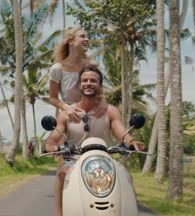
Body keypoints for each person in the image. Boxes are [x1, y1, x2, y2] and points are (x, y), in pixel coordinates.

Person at [45, 65, 145, 216]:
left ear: (100, 85)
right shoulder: (67, 113)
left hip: (105, 162)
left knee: (126, 175)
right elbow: (55, 134)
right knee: (62, 173)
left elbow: (121, 132)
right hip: (74, 161)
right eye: (85, 80)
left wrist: (132, 141)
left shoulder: (109, 110)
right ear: (79, 85)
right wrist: (50, 143)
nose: (88, 83)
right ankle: (59, 213)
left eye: (93, 80)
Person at [49, 28, 106, 123]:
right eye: (82, 36)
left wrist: (103, 102)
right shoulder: (57, 69)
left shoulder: (92, 66)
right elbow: (53, 98)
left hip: (93, 115)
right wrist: (66, 108)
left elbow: (100, 93)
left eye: (87, 37)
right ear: (70, 41)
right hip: (70, 117)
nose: (87, 39)